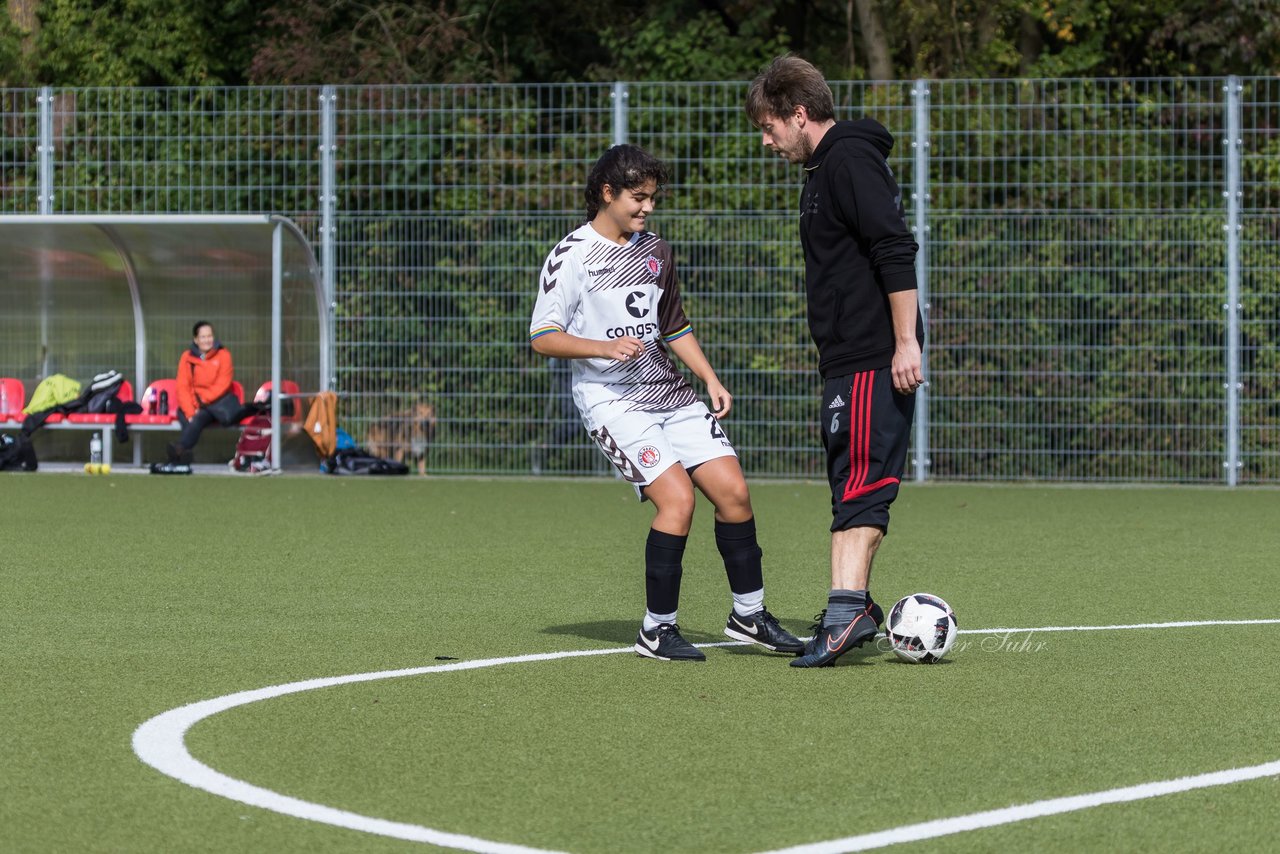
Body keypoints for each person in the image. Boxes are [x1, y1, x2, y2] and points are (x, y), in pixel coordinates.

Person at [529, 143, 803, 662]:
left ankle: (749, 615)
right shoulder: (571, 255)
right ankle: (657, 630)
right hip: (612, 400)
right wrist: (602, 347)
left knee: (735, 494)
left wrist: (710, 378)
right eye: (638, 197)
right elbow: (543, 335)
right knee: (678, 502)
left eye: (652, 198)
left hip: (669, 392)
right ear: (607, 193)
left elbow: (672, 325)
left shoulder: (654, 250)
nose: (647, 208)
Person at [746, 56, 925, 668]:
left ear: (799, 114)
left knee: (862, 481)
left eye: (769, 128)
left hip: (875, 353)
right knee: (849, 476)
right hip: (846, 357)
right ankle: (855, 608)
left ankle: (846, 611)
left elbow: (894, 246)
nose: (767, 142)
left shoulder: (849, 160)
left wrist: (905, 342)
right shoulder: (823, 169)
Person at [168, 321, 240, 463]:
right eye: (203, 337)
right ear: (196, 339)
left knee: (199, 418)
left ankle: (178, 450)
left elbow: (222, 385)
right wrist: (190, 411)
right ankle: (183, 456)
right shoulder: (187, 357)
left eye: (210, 336)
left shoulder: (223, 355)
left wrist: (200, 404)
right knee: (187, 417)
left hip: (213, 405)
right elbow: (182, 386)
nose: (207, 340)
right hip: (192, 405)